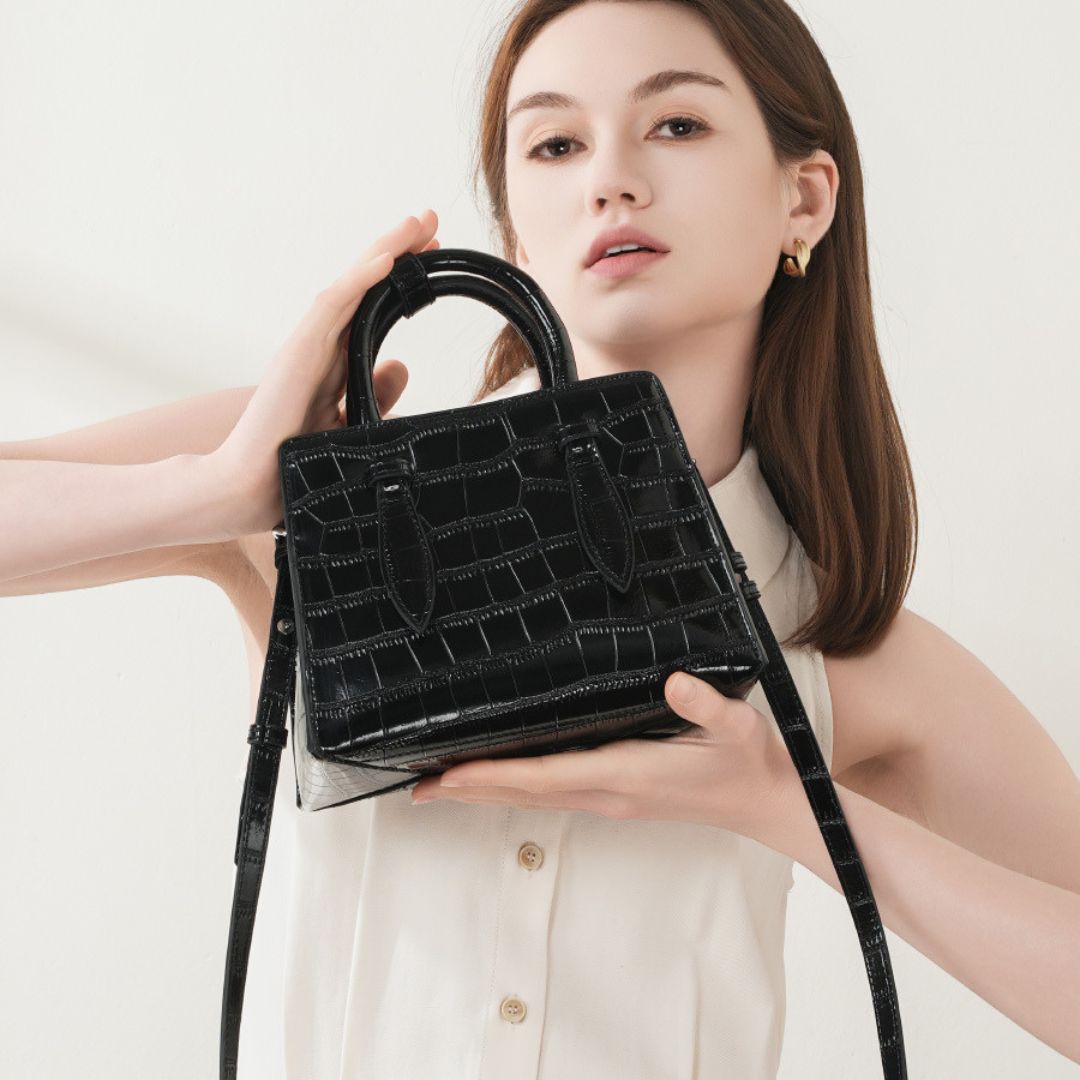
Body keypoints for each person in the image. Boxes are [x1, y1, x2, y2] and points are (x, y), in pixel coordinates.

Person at [3, 1, 1078, 1077]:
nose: (611, 179)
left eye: (676, 125)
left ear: (803, 200)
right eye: (557, 144)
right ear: (518, 232)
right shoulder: (318, 492)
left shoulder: (844, 648)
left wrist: (788, 808)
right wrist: (217, 488)